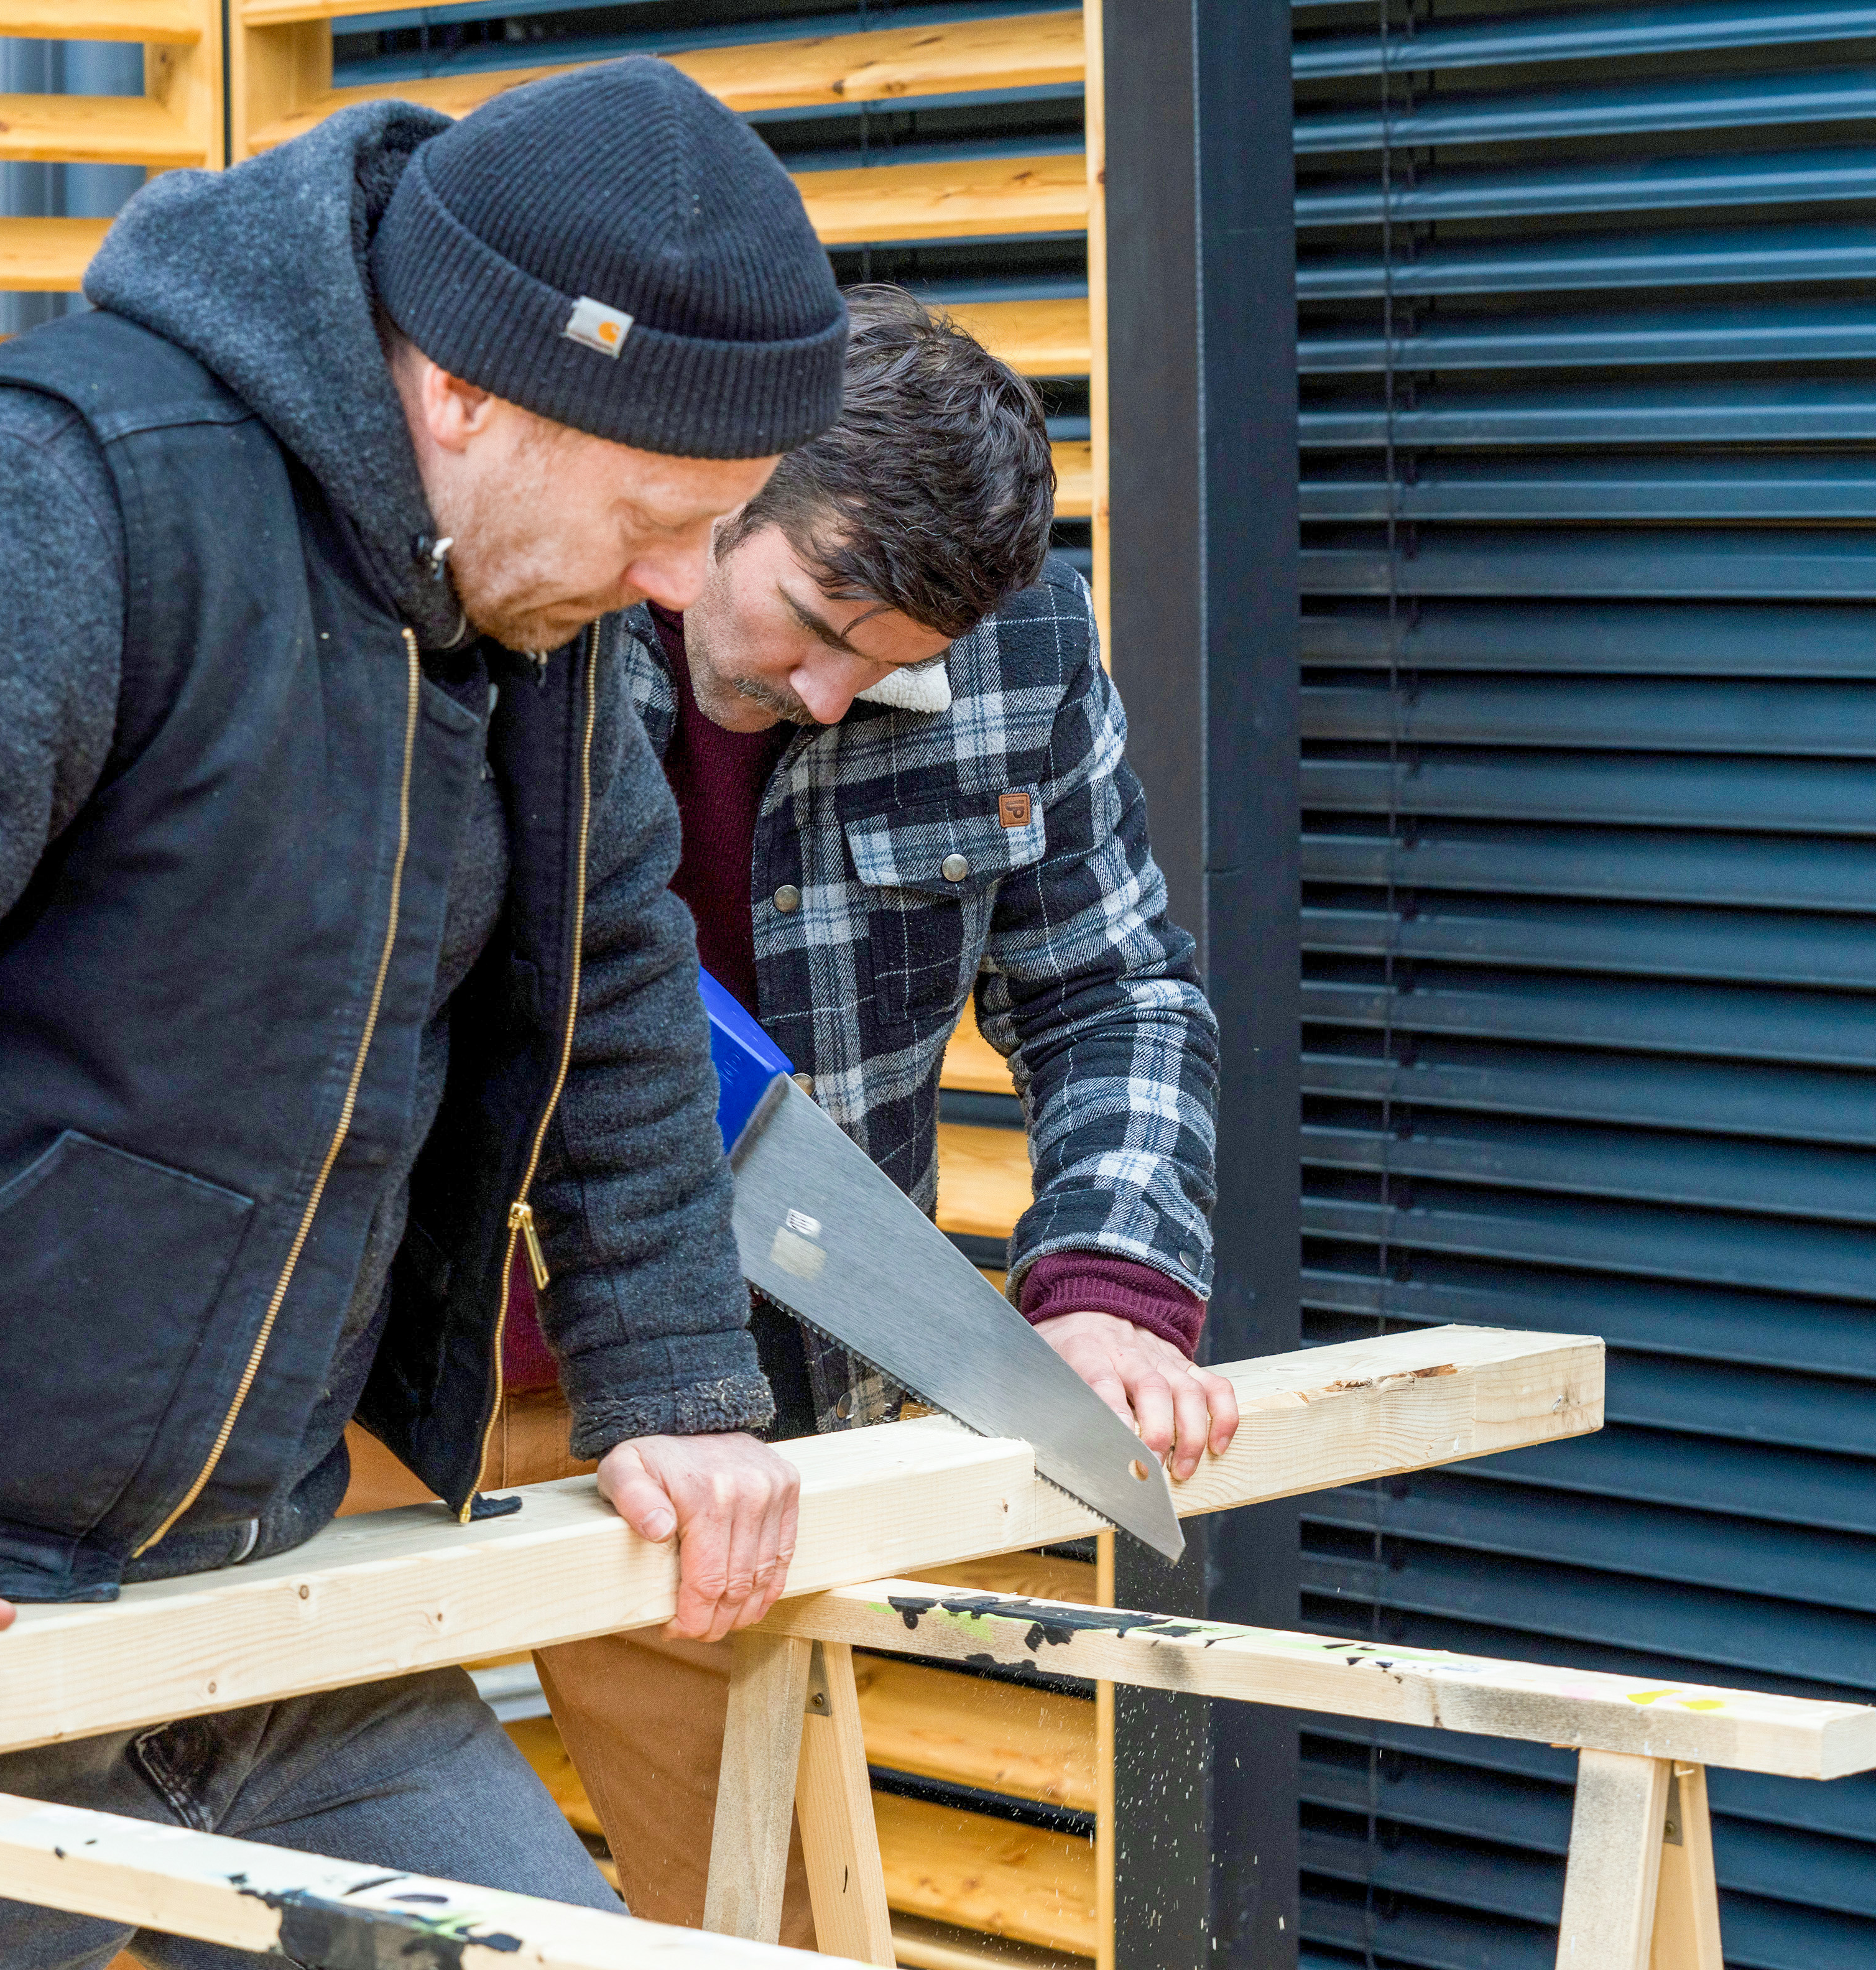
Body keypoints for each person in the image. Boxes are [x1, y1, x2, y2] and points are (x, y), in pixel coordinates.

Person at [0, 60, 846, 1969]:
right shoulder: (48, 502)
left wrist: (674, 1384)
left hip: (272, 1610)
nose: (676, 588)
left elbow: (617, 984)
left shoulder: (530, 606)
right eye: (656, 516)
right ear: (466, 387)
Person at [346, 287, 1227, 1941]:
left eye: (887, 672)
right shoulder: (513, 585)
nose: (830, 696)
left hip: (719, 1418)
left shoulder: (1024, 646)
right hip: (385, 1356)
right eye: (815, 625)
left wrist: (1110, 1290)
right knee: (188, 1851)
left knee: (779, 1926)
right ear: (724, 487)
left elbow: (1113, 988)